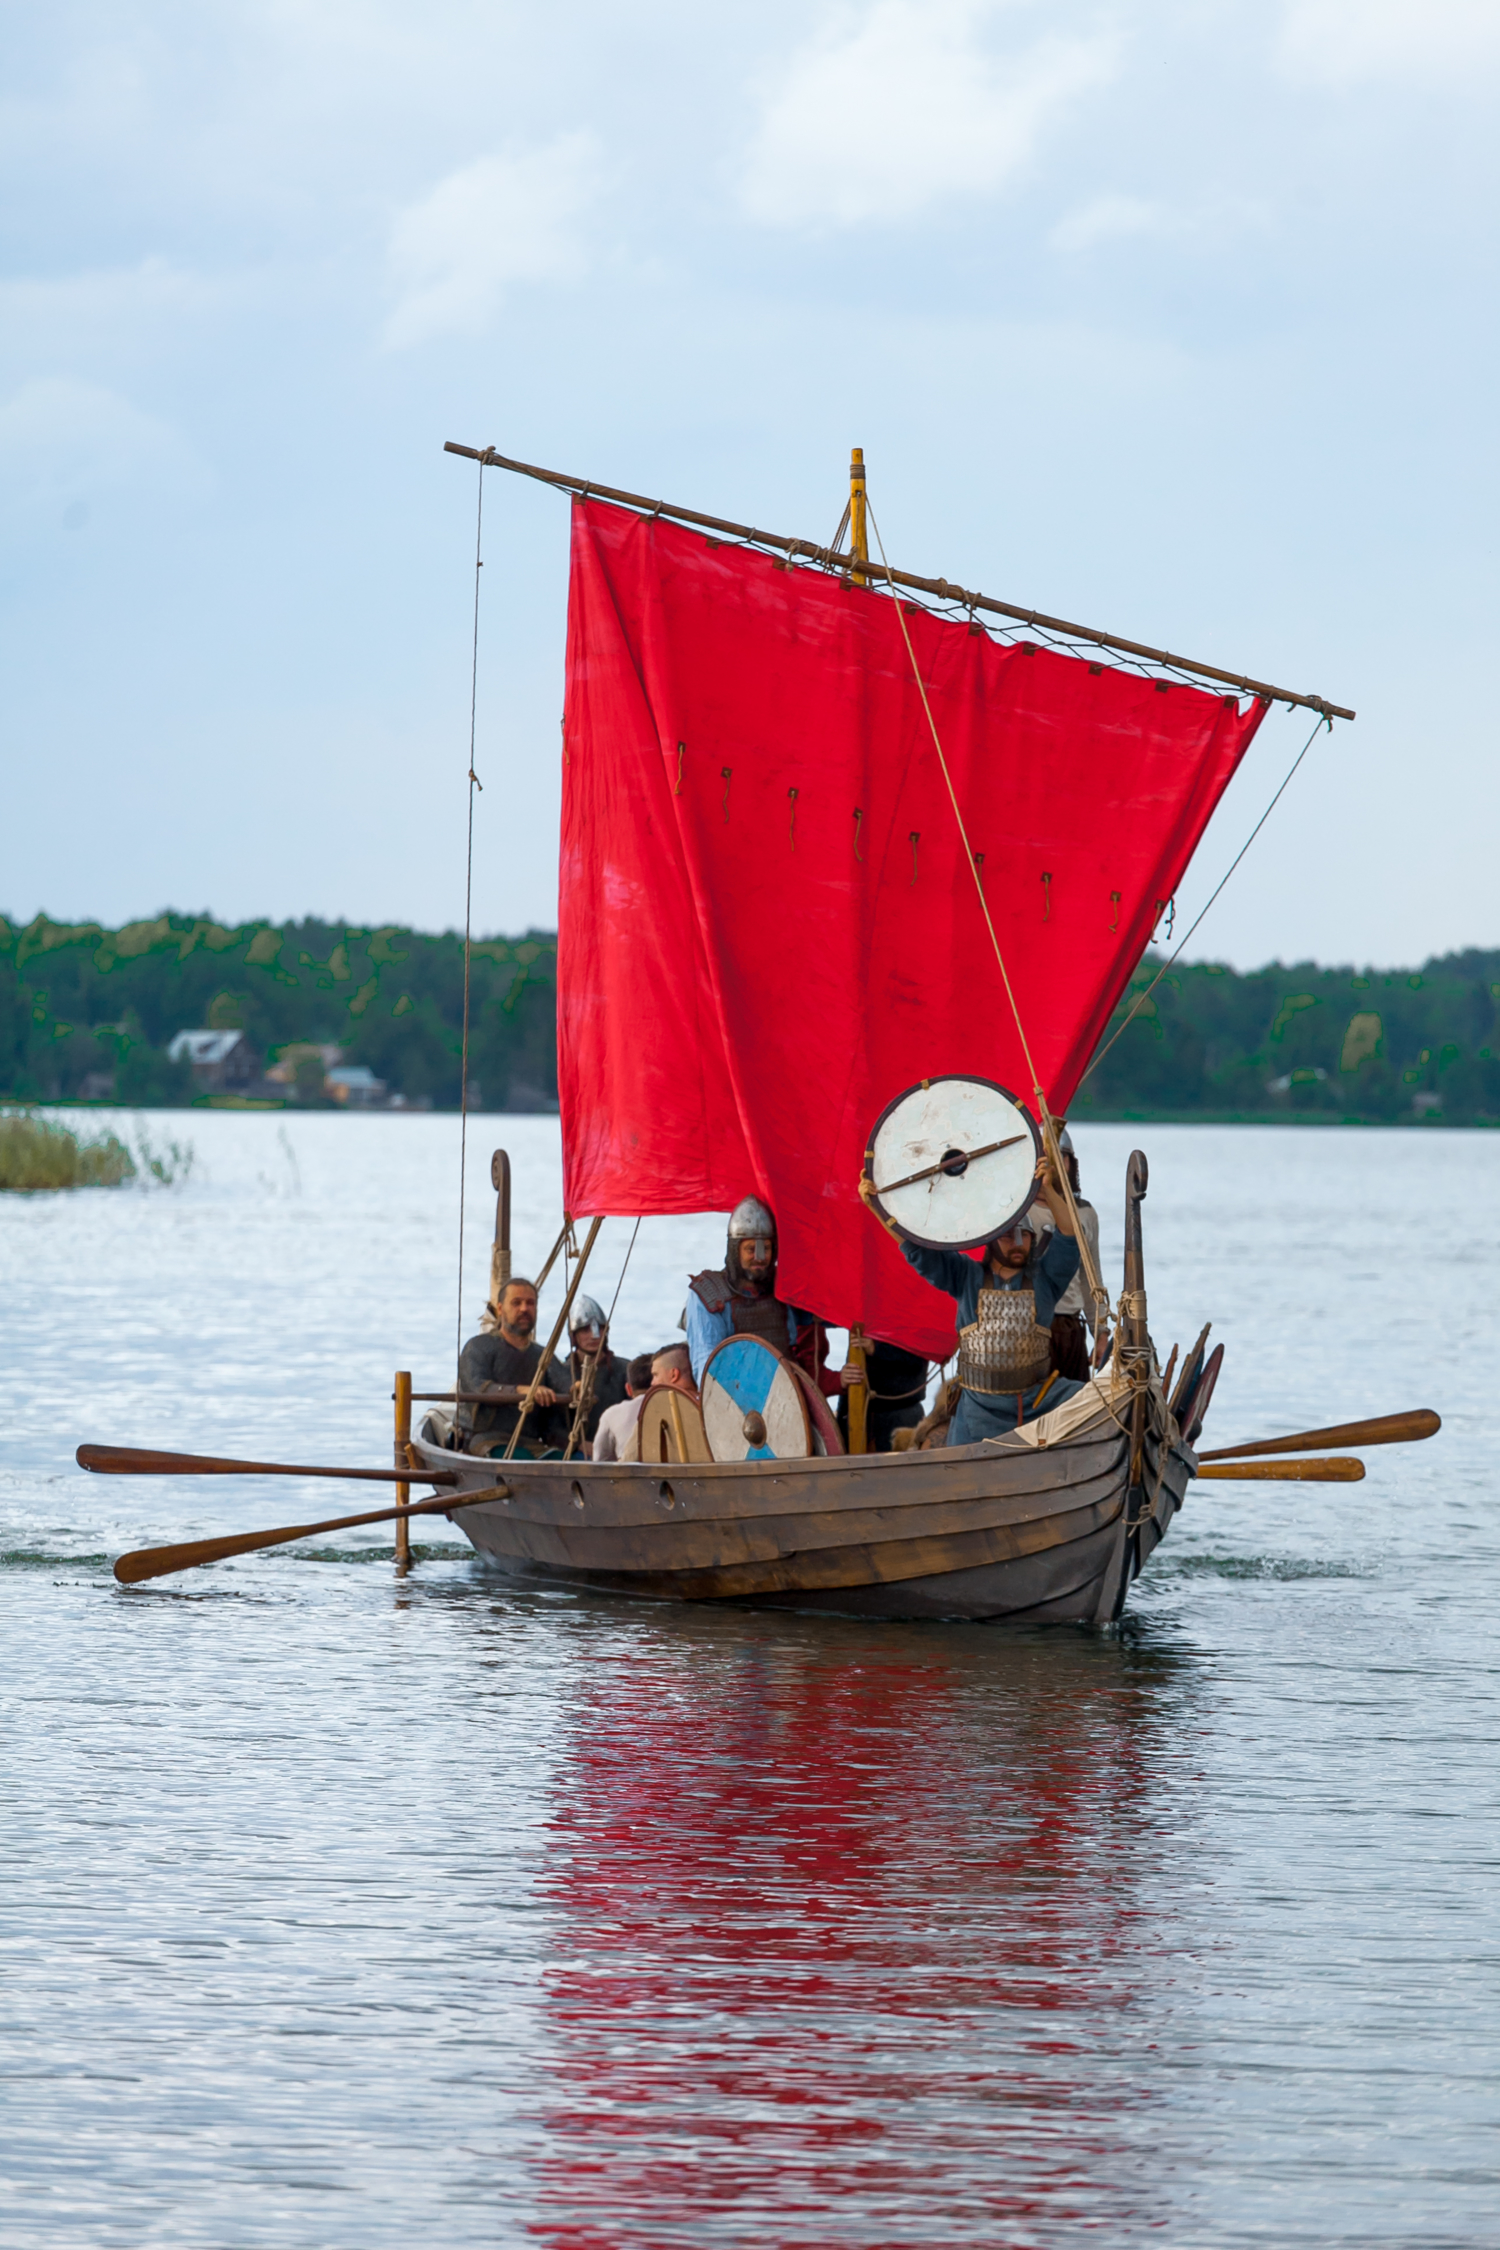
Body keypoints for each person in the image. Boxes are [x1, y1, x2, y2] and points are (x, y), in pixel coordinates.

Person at [859, 1154, 1084, 1444]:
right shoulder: (966, 1276)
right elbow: (915, 1249)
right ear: (991, 1240)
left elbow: (1070, 1235)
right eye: (1008, 1236)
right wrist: (876, 1207)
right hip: (978, 1408)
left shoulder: (1047, 1279)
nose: (1017, 1242)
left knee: (1101, 1398)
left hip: (1035, 1401)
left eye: (1024, 1235)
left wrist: (1049, 1189)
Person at [685, 1196, 845, 1396]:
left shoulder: (785, 1288)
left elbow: (836, 1311)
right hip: (734, 1397)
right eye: (751, 1249)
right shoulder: (709, 1294)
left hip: (787, 1395)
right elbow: (707, 1366)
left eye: (766, 1249)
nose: (759, 1257)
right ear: (735, 1250)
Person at [456, 1276, 571, 1458]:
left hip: (532, 1443)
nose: (524, 1309)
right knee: (521, 1460)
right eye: (516, 1303)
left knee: (570, 1462)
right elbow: (477, 1387)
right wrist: (523, 1391)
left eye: (530, 1303)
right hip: (487, 1441)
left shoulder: (542, 1355)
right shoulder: (478, 1347)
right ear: (500, 1308)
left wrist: (577, 1389)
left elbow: (563, 1382)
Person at [1046, 1128, 1100, 1381]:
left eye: (1062, 1157)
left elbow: (1091, 1278)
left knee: (1074, 1406)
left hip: (1069, 1330)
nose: (1056, 1166)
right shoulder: (1015, 1214)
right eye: (1048, 1159)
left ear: (1071, 1162)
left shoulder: (1085, 1214)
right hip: (1024, 1329)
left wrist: (1100, 1333)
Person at [835, 1337, 931, 1453]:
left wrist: (877, 1350)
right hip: (863, 1418)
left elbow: (917, 1360)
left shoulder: (915, 1328)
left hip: (903, 1415)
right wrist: (839, 1425)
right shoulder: (862, 1329)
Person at [565, 1294, 630, 1450]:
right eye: (585, 1330)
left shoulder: (625, 1369)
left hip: (620, 1448)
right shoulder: (562, 1372)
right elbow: (553, 1425)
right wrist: (577, 1444)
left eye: (599, 1329)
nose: (594, 1335)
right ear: (574, 1336)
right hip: (577, 1451)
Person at [620, 1344, 702, 1462]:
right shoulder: (710, 1405)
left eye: (655, 1375)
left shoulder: (656, 1411)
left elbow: (629, 1460)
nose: (652, 1383)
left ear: (674, 1374)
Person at [592, 1351, 655, 1464]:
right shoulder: (679, 1408)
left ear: (628, 1389)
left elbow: (600, 1462)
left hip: (631, 1478)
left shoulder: (612, 1413)